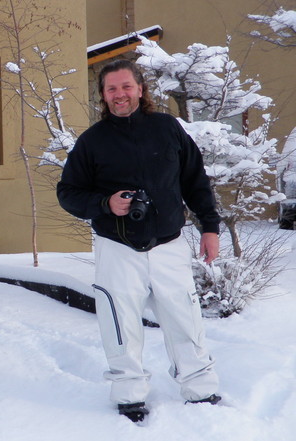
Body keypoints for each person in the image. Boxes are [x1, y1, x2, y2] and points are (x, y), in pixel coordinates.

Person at [56, 59, 221, 423]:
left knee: (184, 317)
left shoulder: (167, 129)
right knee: (120, 323)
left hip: (169, 246)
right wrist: (105, 204)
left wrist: (210, 226)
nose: (120, 95)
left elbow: (195, 179)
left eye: (126, 87)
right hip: (118, 250)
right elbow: (67, 192)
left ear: (140, 89)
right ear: (102, 95)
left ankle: (200, 387)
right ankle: (129, 395)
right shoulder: (92, 142)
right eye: (111, 89)